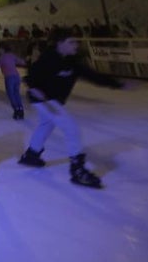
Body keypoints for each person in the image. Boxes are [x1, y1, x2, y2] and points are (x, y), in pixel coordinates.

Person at [18, 27, 125, 188]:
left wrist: (119, 85)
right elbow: (30, 76)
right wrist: (33, 87)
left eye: (76, 41)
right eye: (71, 41)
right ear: (60, 43)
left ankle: (32, 155)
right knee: (71, 128)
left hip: (54, 100)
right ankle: (78, 170)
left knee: (46, 125)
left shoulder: (73, 62)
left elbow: (93, 76)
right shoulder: (48, 58)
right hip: (44, 100)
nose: (76, 44)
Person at [0, 41, 27, 119]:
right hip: (16, 76)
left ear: (2, 49)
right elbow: (22, 62)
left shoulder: (0, 58)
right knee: (17, 94)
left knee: (11, 95)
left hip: (9, 78)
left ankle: (16, 110)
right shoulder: (12, 55)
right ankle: (21, 110)